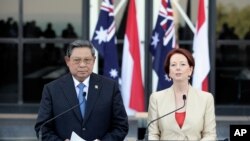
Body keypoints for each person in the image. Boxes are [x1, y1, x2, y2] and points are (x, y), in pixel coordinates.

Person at [35, 40, 128, 141]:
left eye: (87, 60)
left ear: (94, 60)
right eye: (77, 60)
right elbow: (42, 128)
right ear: (67, 61)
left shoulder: (110, 87)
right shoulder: (52, 90)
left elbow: (121, 126)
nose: (82, 65)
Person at [147, 48, 217, 140]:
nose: (178, 68)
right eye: (173, 65)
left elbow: (210, 135)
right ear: (169, 72)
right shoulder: (156, 98)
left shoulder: (206, 98)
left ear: (190, 70)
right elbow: (153, 134)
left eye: (182, 64)